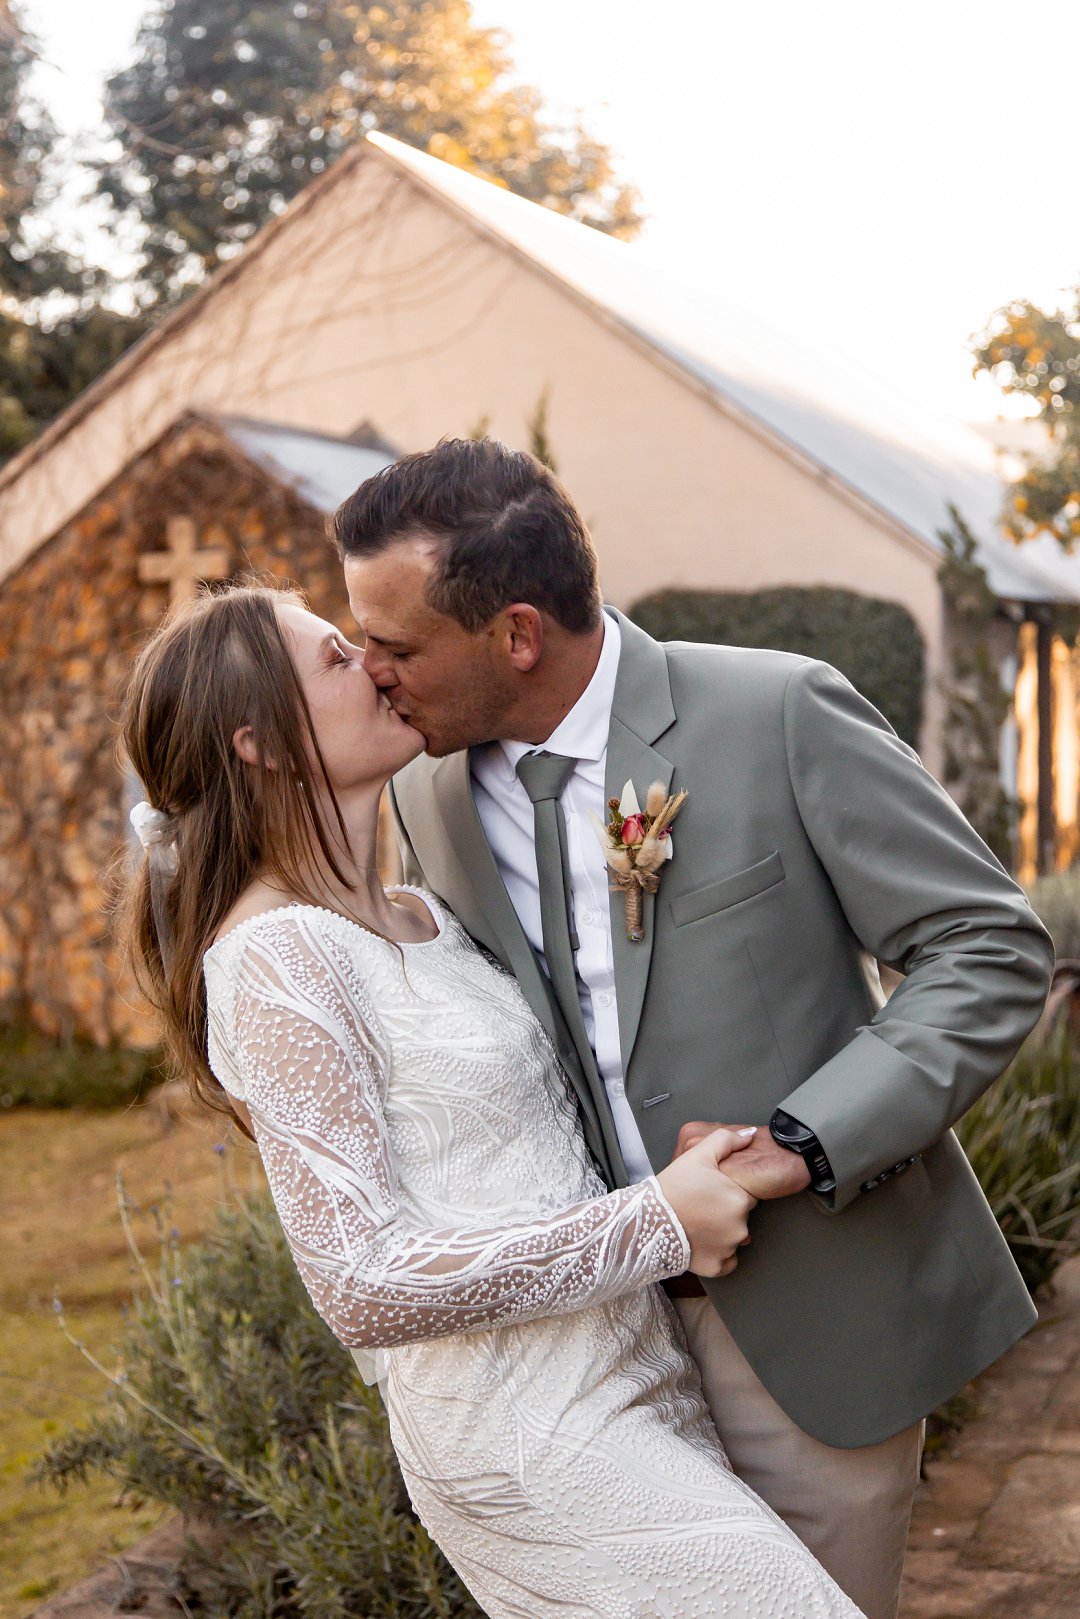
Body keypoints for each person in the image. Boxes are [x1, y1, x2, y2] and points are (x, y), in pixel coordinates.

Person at [331, 437, 1056, 1619]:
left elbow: (986, 947)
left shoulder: (777, 711)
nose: (371, 672)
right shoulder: (425, 793)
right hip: (586, 1354)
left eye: (396, 645)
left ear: (517, 634)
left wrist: (807, 1139)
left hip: (808, 1319)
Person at [121, 582, 866, 1619]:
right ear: (261, 745)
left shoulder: (422, 912)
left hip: (638, 1379)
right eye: (335, 658)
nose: (375, 664)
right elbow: (360, 1279)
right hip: (524, 1434)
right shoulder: (276, 958)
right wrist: (654, 1222)